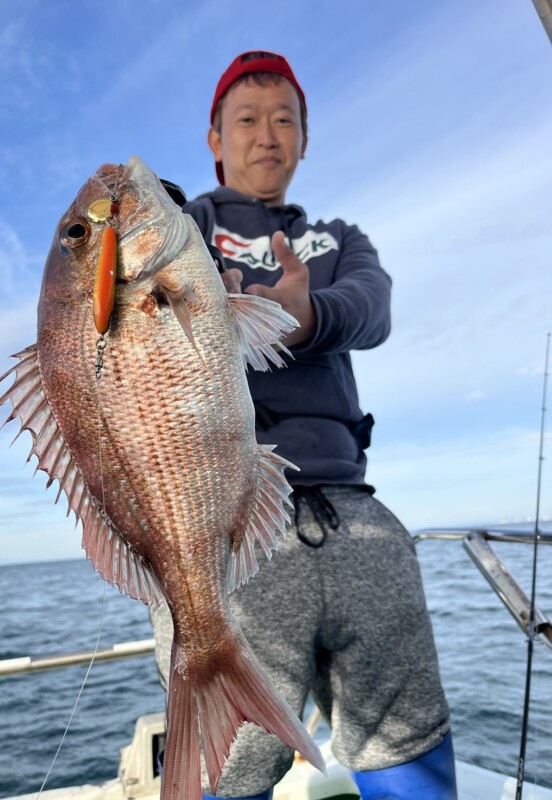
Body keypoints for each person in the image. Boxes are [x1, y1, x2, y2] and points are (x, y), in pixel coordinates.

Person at [150, 51, 458, 800]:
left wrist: (308, 314)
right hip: (224, 522)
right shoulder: (181, 231)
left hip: (357, 516)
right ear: (214, 140)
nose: (267, 135)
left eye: (284, 119)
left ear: (305, 141)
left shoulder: (335, 240)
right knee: (228, 771)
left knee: (407, 743)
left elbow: (373, 307)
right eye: (246, 120)